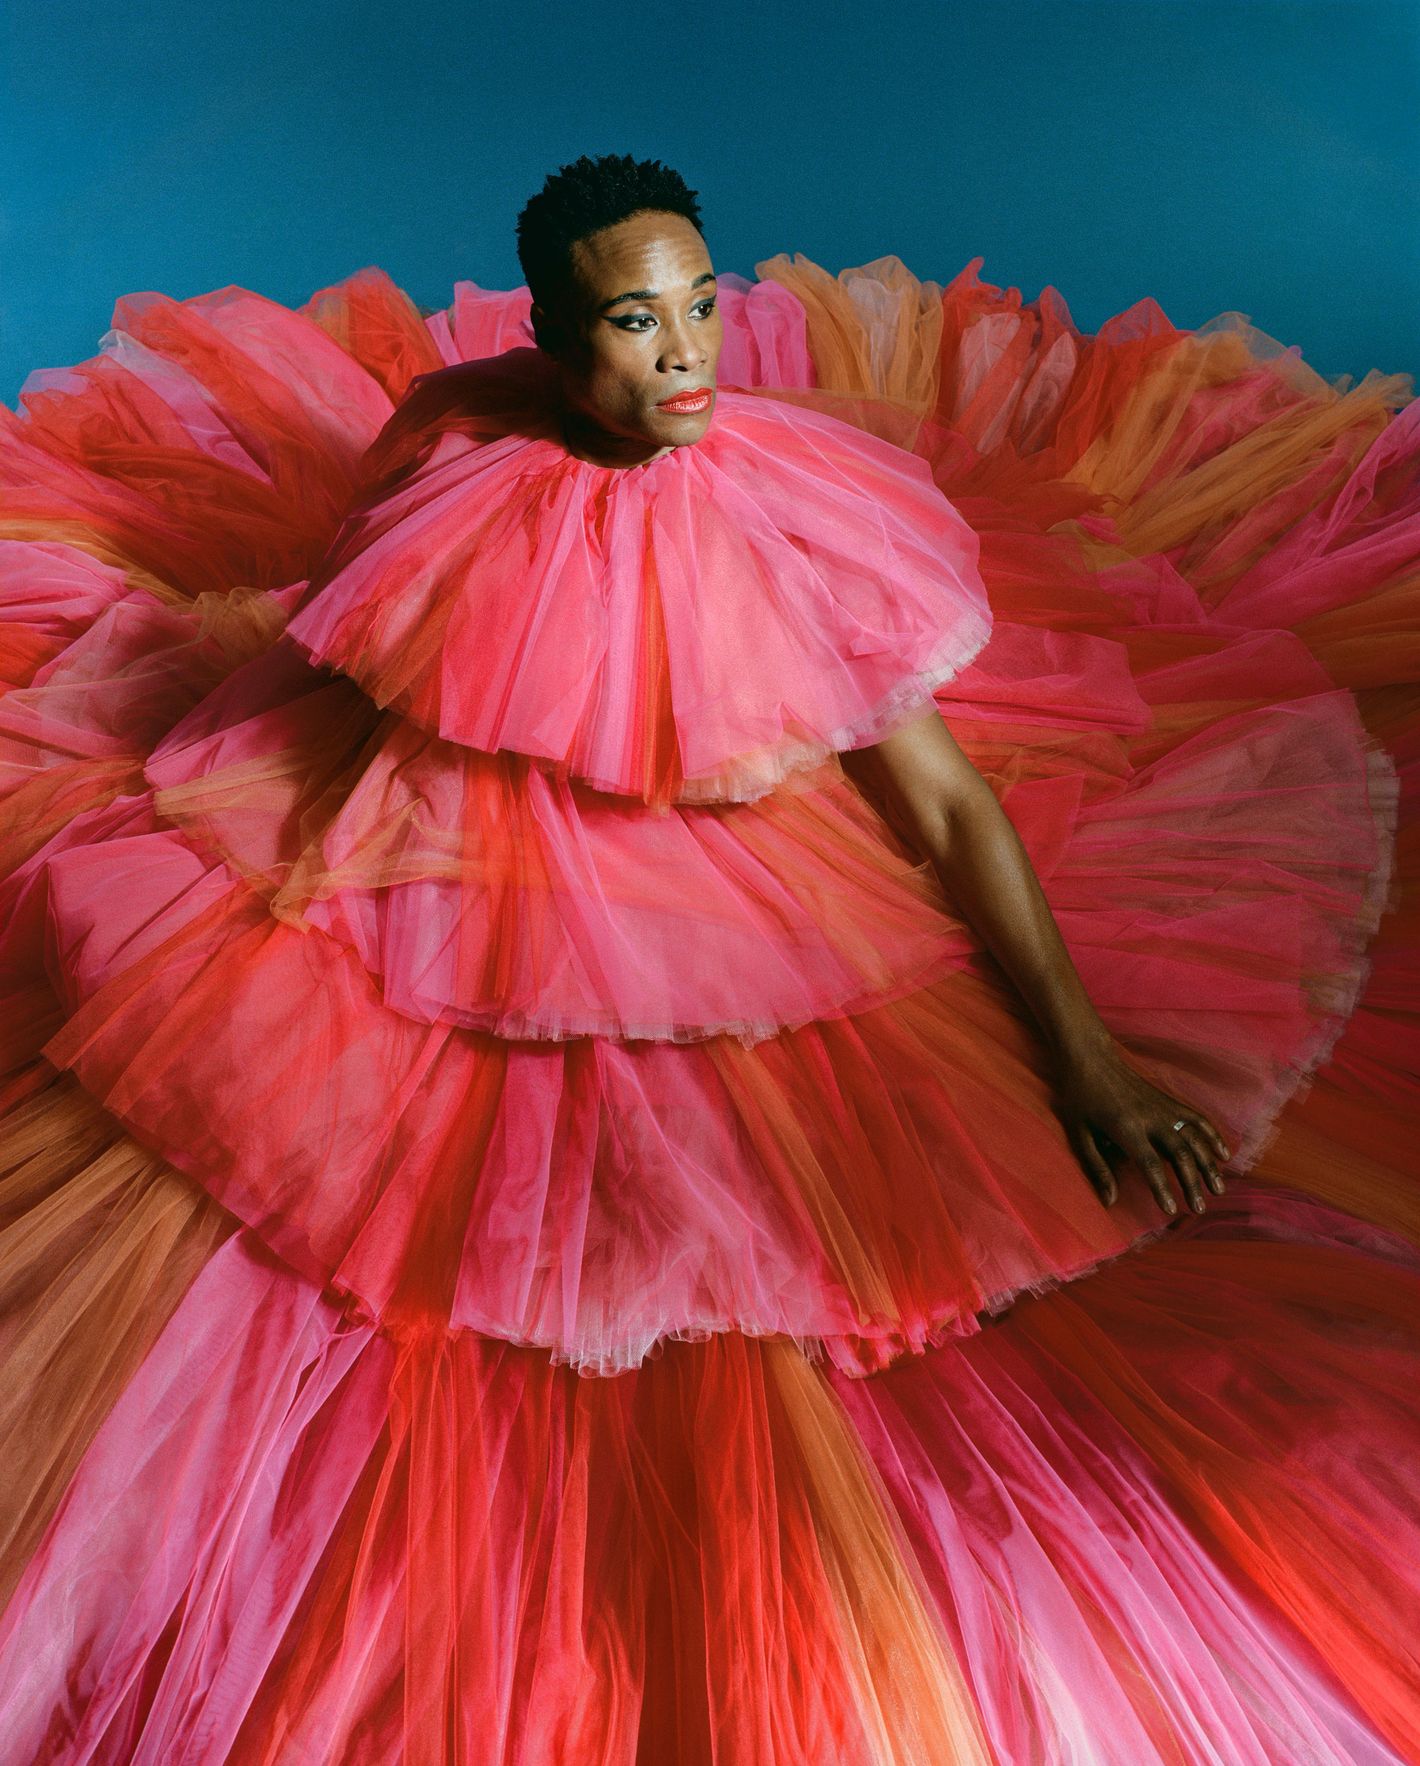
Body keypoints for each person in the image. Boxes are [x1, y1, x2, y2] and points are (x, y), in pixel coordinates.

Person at [0, 149, 1416, 1763]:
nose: (684, 355)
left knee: (783, 1262)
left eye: (699, 306)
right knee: (362, 1245)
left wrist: (1087, 1061)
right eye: (631, 319)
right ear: (547, 339)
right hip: (460, 886)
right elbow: (365, 674)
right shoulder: (462, 446)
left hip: (756, 911)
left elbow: (948, 808)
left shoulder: (782, 513)